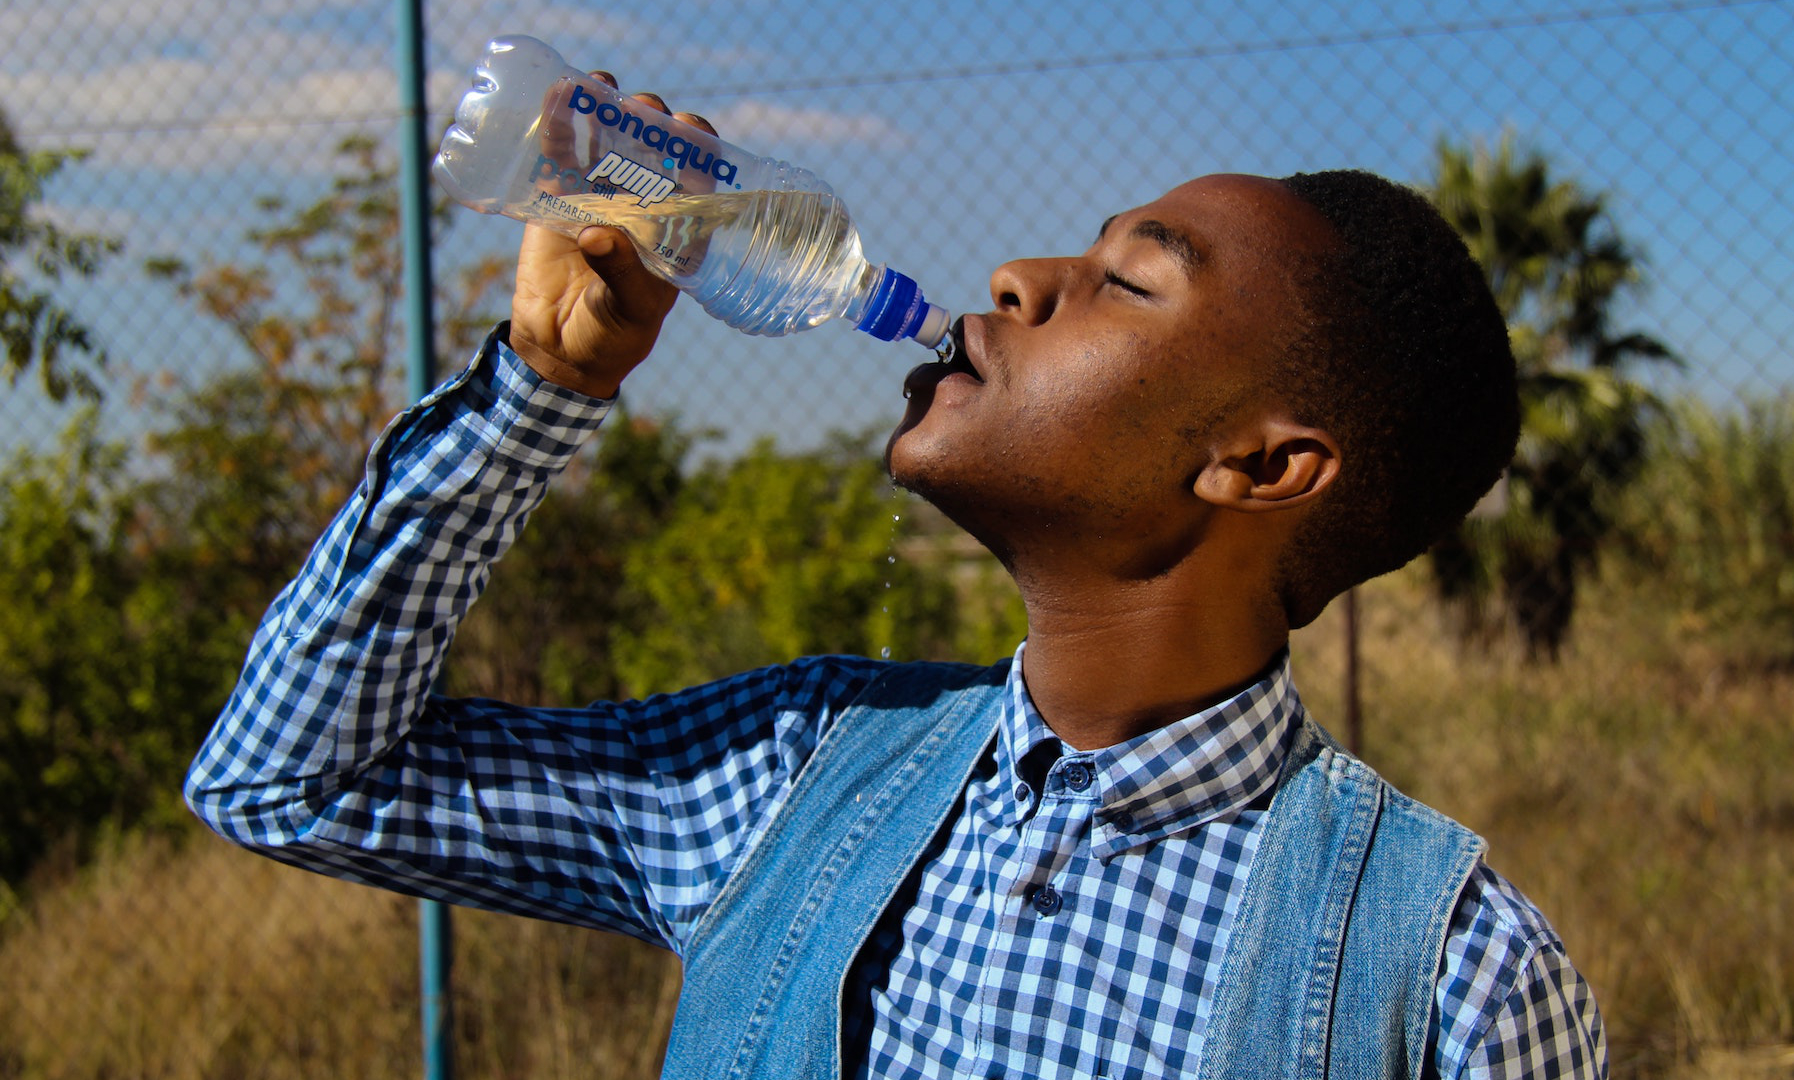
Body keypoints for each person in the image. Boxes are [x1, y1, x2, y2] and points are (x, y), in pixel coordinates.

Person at [187, 81, 1606, 1079]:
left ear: (1261, 468)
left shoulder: (1454, 982)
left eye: (1128, 279)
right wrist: (541, 392)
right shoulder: (800, 772)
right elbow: (289, 779)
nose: (1017, 275)